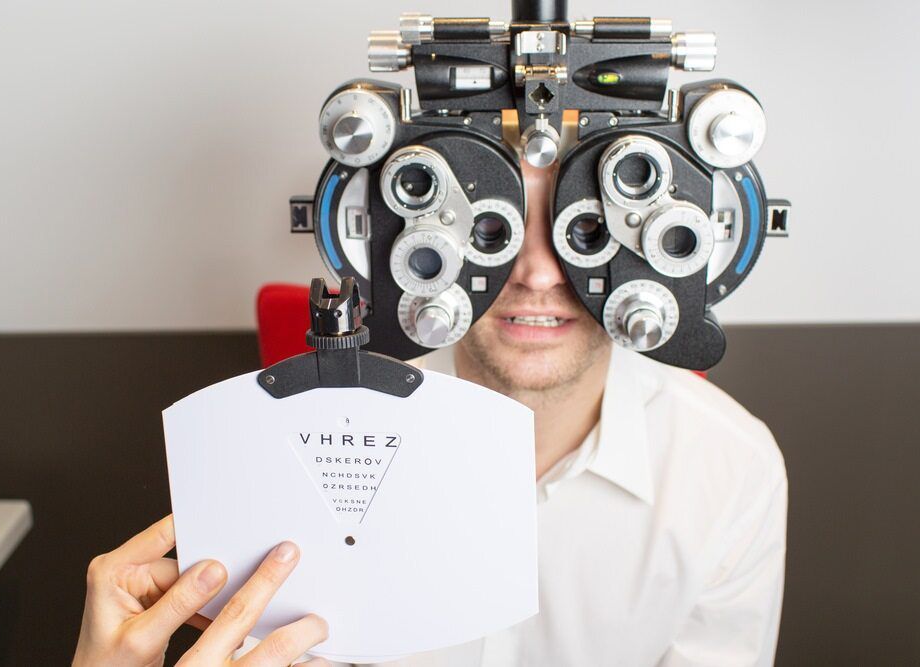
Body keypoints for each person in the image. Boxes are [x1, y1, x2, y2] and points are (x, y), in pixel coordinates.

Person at [74, 158, 787, 666]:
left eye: (585, 230)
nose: (537, 272)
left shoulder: (730, 471)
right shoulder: (283, 447)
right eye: (490, 229)